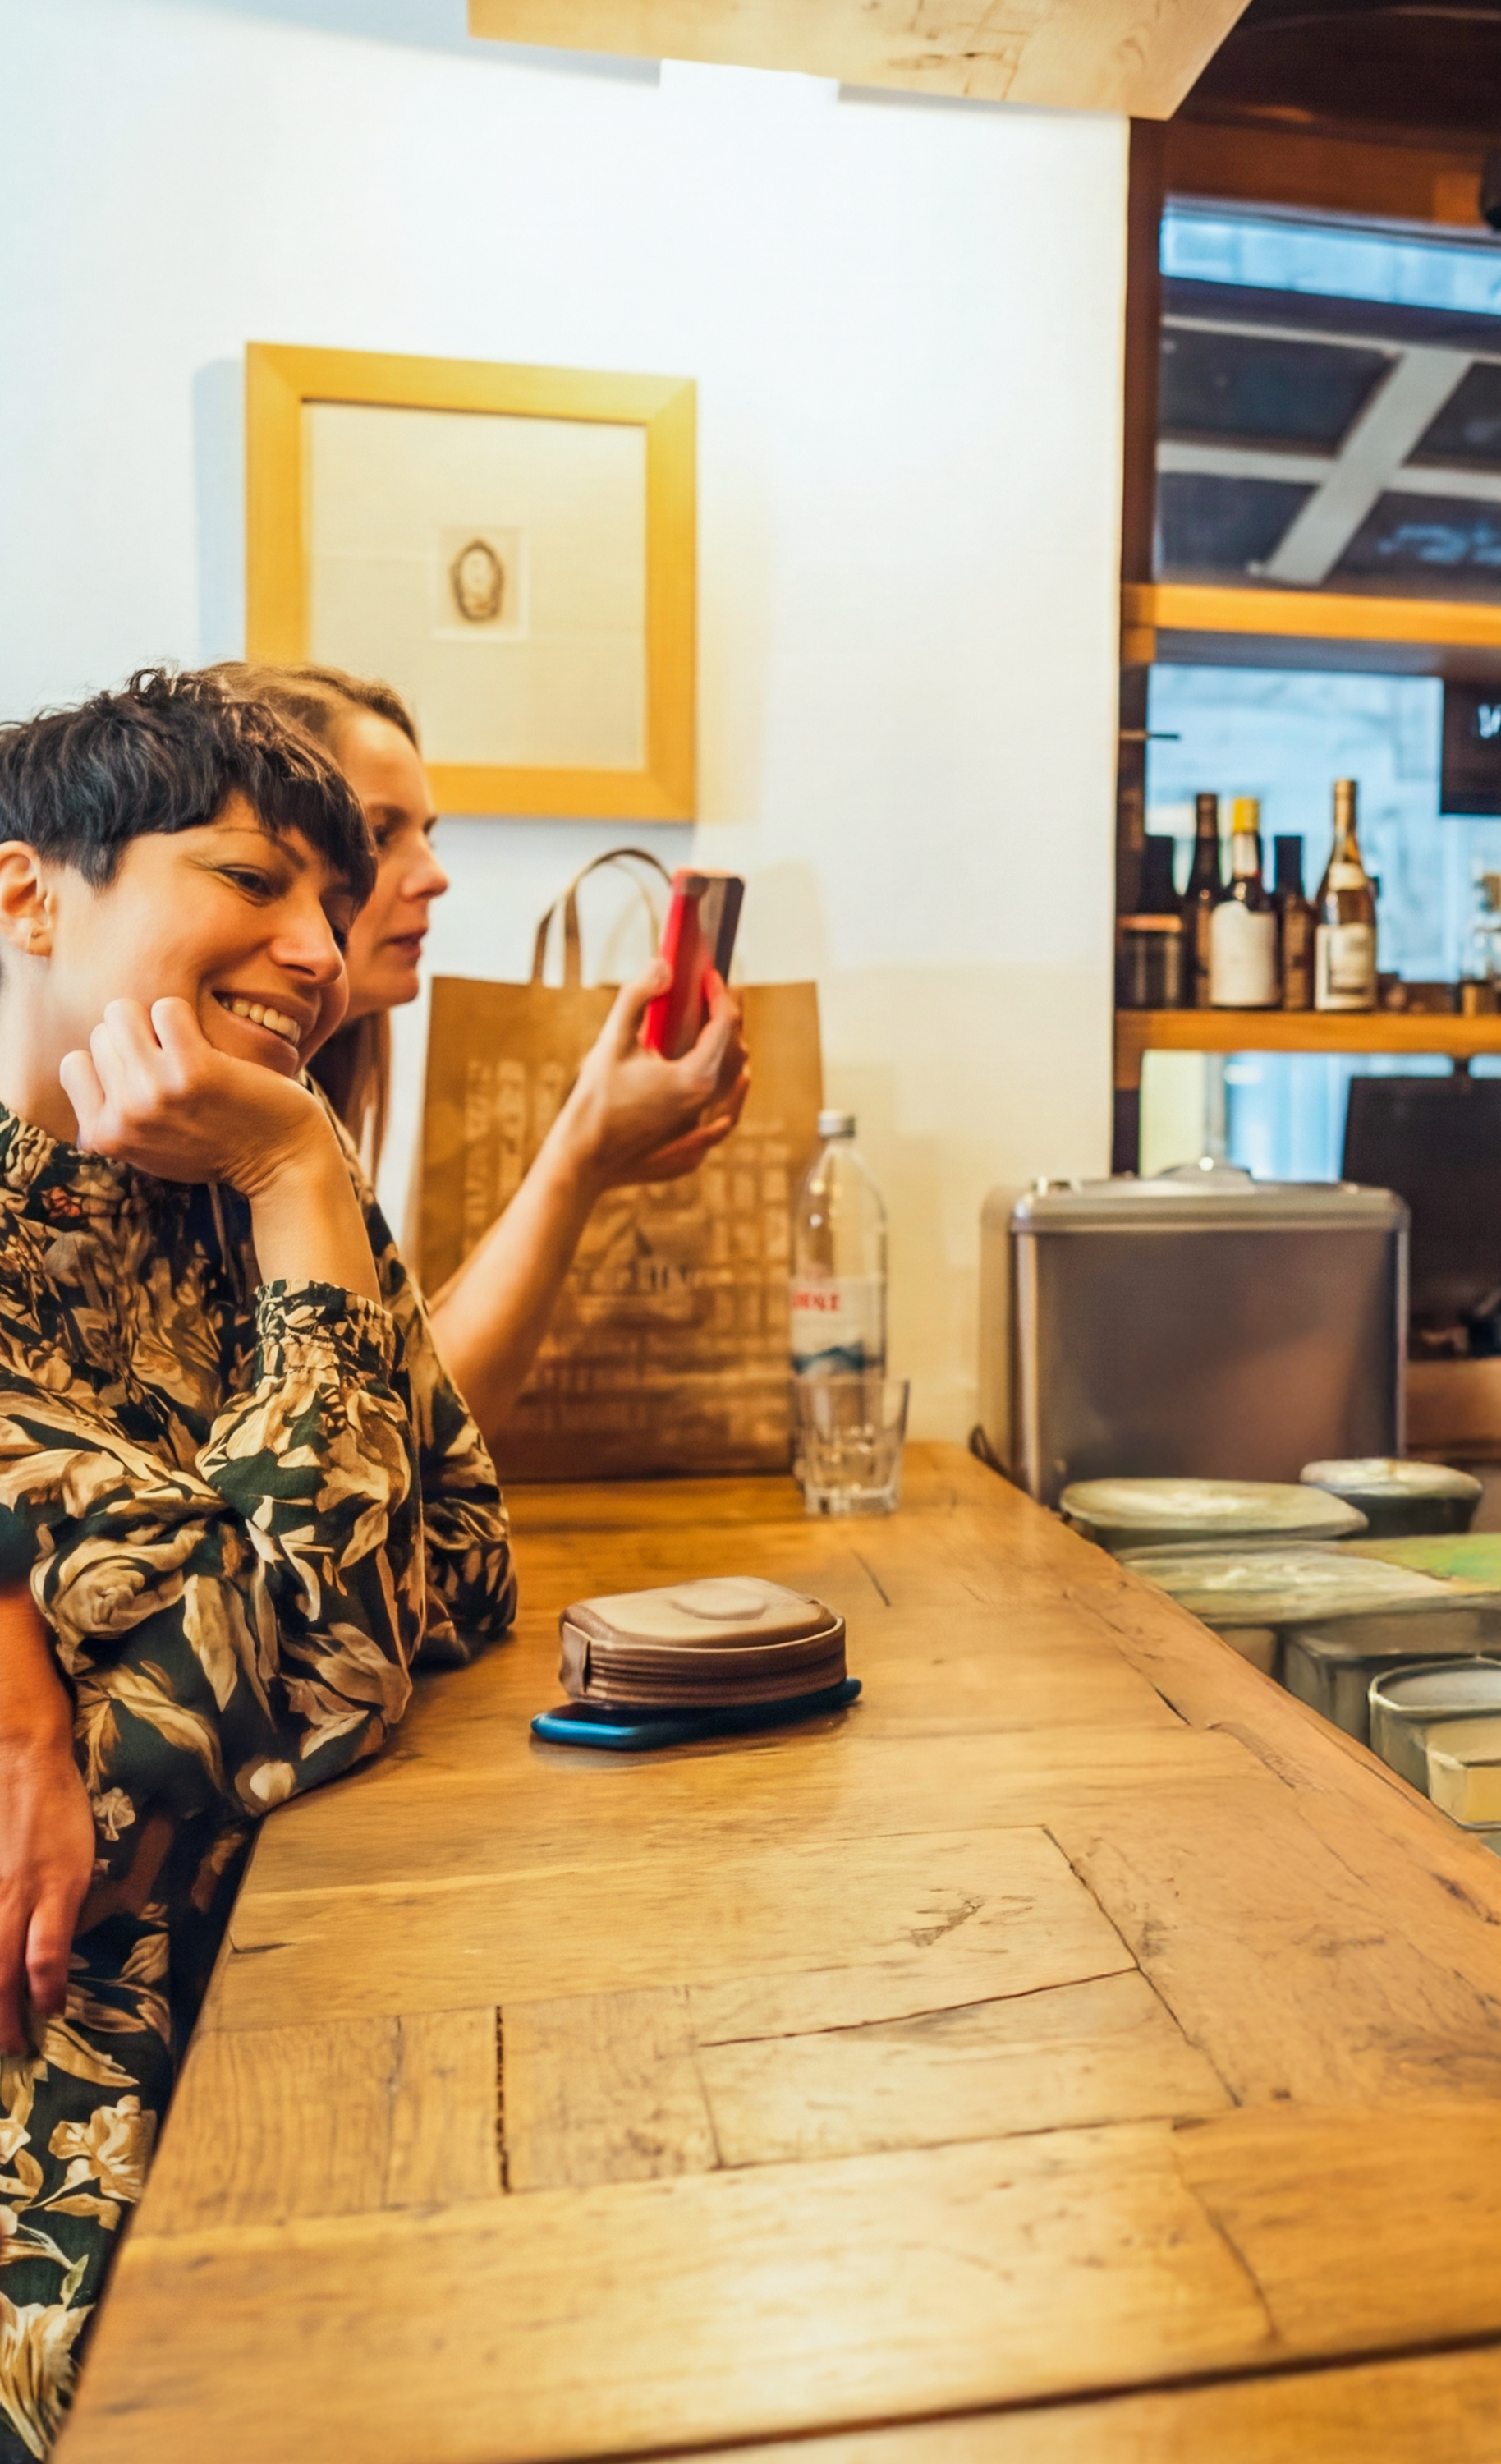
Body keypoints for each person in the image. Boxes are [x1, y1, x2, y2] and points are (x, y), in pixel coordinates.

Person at [0, 670, 514, 2454]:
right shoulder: (269, 1171)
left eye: (331, 890)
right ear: (29, 897)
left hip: (326, 2005)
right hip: (88, 2146)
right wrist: (308, 1186)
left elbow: (459, 1560)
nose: (321, 941)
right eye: (250, 879)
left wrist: (299, 1177)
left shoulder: (260, 1165)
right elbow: (243, 1704)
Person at [209, 663, 745, 1428]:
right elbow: (412, 1442)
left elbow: (411, 1394)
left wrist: (584, 1157)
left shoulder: (307, 1098)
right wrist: (580, 1154)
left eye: (426, 836)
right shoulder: (213, 1116)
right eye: (377, 835)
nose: (433, 876)